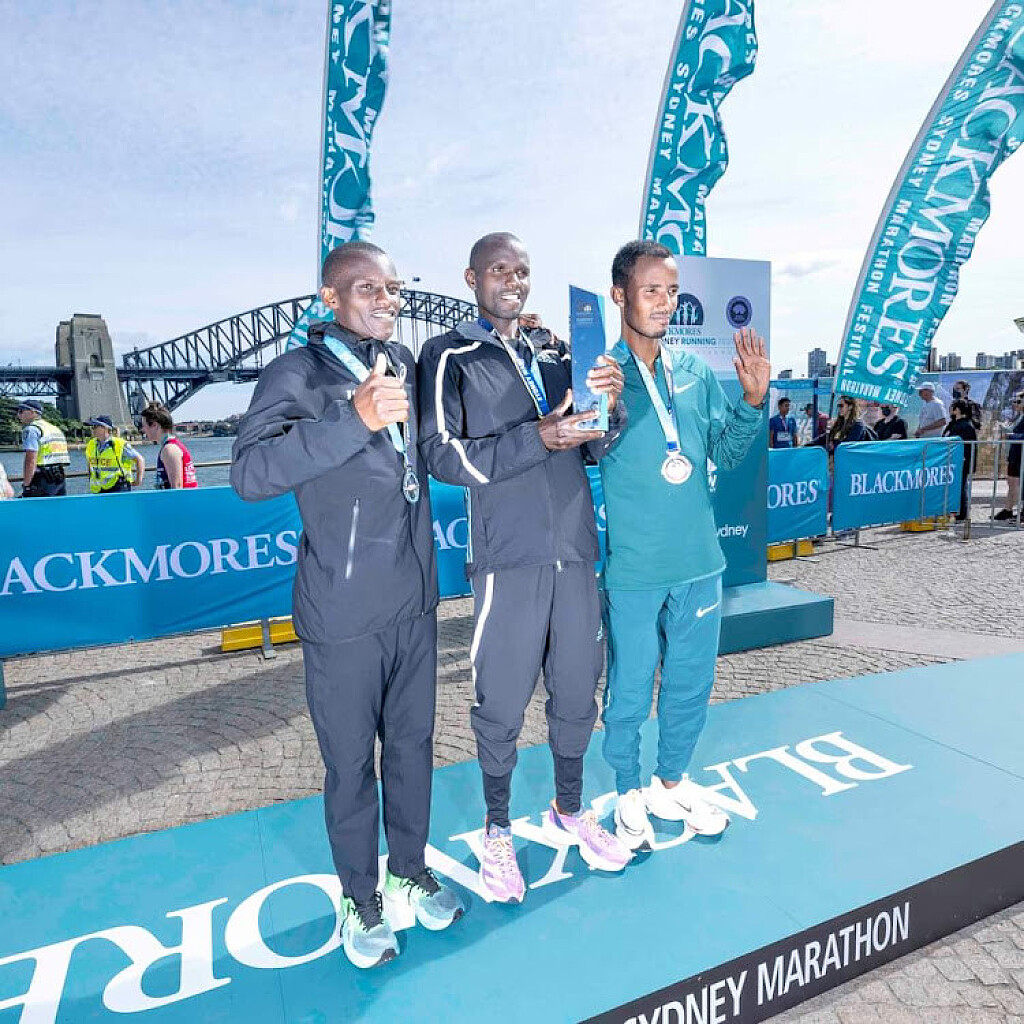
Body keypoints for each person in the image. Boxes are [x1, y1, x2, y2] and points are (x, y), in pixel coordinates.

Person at [231, 241, 465, 970]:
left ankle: (409, 871)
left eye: (393, 288)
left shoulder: (403, 363)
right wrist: (351, 419)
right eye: (368, 288)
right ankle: (360, 898)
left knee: (414, 751)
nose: (386, 299)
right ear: (330, 298)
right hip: (341, 614)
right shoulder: (296, 373)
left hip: (413, 604)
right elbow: (249, 474)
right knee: (351, 767)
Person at [417, 231, 631, 903]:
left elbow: (596, 444)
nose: (513, 280)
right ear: (472, 277)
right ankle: (498, 828)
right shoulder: (447, 354)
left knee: (577, 690)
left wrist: (611, 405)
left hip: (576, 550)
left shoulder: (557, 351)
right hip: (507, 558)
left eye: (522, 270)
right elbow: (441, 453)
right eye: (499, 269)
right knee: (502, 702)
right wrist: (536, 437)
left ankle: (569, 809)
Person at [595, 240, 769, 851]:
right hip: (635, 569)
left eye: (672, 291)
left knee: (691, 683)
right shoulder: (603, 376)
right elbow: (583, 449)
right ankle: (627, 789)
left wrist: (752, 402)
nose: (665, 302)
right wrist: (601, 409)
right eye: (651, 290)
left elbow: (724, 453)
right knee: (629, 688)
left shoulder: (693, 370)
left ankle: (672, 781)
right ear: (619, 295)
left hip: (700, 562)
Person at [16, 399, 70, 497]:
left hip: (42, 478)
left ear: (32, 412)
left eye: (21, 411)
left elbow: (31, 459)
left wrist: (26, 485)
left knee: (32, 505)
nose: (18, 415)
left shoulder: (32, 429)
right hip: (59, 477)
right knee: (58, 506)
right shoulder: (54, 428)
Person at [140, 404, 198, 489]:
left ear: (155, 426)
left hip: (183, 498)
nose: (143, 429)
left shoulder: (169, 449)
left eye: (144, 426)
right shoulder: (172, 446)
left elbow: (177, 487)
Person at [85, 415, 146, 493]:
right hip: (98, 489)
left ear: (105, 428)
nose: (92, 429)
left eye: (95, 426)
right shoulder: (91, 444)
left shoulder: (119, 444)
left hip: (118, 487)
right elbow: (90, 465)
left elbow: (139, 459)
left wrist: (138, 480)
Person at [943, 399, 977, 521]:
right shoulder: (954, 423)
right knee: (957, 486)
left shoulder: (965, 426)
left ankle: (961, 513)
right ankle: (955, 511)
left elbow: (965, 445)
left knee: (961, 486)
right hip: (952, 460)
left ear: (957, 410)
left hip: (961, 461)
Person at [994, 391, 1024, 522]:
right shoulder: (1019, 416)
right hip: (1013, 453)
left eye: (1018, 401)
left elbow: (1019, 435)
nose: (1015, 404)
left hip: (1020, 453)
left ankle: (1020, 511)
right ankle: (1008, 509)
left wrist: (1011, 435)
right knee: (1011, 482)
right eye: (1014, 401)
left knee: (1017, 483)